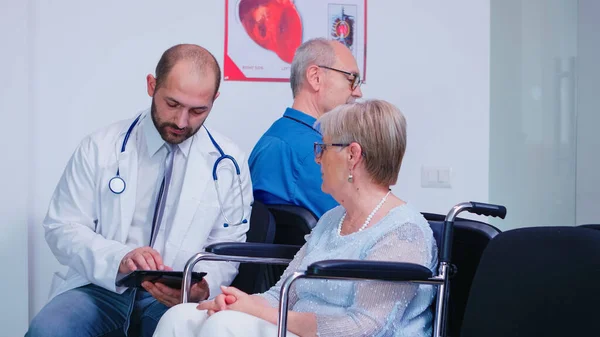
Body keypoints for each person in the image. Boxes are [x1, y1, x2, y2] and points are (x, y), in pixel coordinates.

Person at [153, 99, 438, 337]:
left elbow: (363, 327)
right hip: (295, 328)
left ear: (353, 155)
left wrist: (260, 312)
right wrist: (235, 301)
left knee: (226, 326)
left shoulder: (403, 232)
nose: (317, 158)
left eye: (323, 148)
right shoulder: (332, 220)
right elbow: (281, 296)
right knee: (181, 318)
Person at [25, 44, 253, 337]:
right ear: (151, 85)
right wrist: (119, 258)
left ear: (214, 100)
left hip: (175, 298)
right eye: (172, 104)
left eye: (198, 110)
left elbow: (229, 247)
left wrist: (201, 289)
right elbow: (61, 227)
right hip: (101, 285)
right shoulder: (100, 147)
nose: (182, 122)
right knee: (48, 330)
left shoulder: (229, 164)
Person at [248, 37, 363, 220]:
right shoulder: (316, 153)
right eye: (351, 79)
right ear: (315, 78)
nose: (358, 92)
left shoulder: (273, 139)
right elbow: (356, 225)